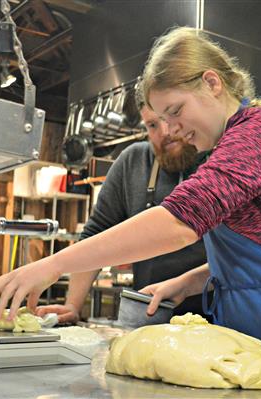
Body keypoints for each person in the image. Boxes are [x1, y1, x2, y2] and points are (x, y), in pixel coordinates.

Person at [0, 27, 261, 363]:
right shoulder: (227, 145)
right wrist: (192, 280)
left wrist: (50, 265)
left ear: (212, 83)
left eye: (175, 110)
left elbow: (179, 223)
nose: (170, 130)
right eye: (161, 119)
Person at [35, 103, 208, 323]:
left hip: (216, 317)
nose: (165, 132)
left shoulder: (219, 160)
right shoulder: (133, 162)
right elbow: (96, 234)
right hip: (148, 316)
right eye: (153, 125)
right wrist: (72, 304)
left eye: (171, 117)